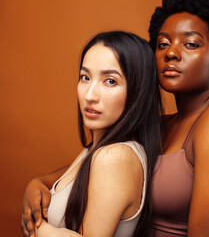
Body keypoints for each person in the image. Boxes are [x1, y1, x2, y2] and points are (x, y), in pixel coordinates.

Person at [22, 0, 209, 236]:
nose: (172, 53)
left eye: (191, 44)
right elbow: (100, 165)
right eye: (163, 44)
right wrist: (40, 183)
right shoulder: (163, 124)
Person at [21, 31, 162, 237]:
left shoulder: (114, 157)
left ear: (138, 91)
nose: (90, 95)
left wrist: (37, 227)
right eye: (85, 77)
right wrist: (36, 183)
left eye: (110, 81)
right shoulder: (97, 150)